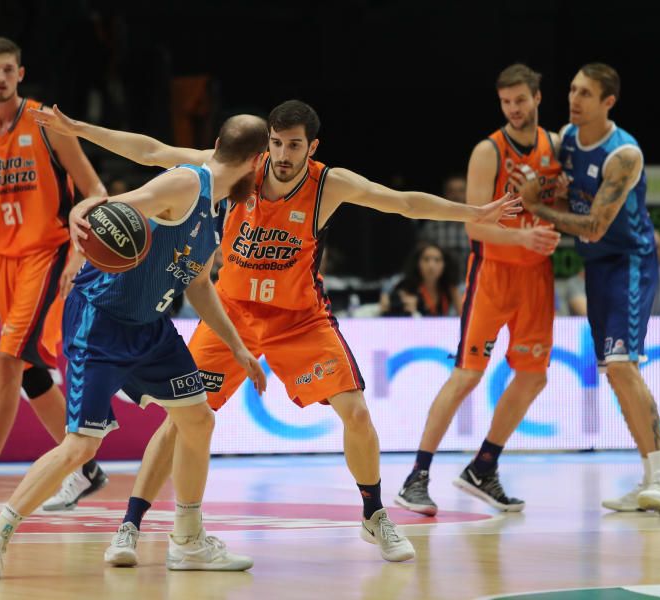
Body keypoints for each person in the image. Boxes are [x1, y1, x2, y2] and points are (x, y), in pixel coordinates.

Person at [32, 99, 520, 565]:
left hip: (299, 317)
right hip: (232, 311)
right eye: (277, 143)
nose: (283, 155)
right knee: (180, 420)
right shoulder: (240, 168)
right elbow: (154, 151)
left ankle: (374, 514)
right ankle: (132, 526)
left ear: (313, 147)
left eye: (293, 145)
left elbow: (403, 203)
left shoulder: (329, 184)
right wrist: (81, 131)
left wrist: (470, 213)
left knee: (354, 410)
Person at [0, 114, 270, 580]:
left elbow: (200, 285)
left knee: (198, 419)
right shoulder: (188, 183)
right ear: (257, 161)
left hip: (150, 327)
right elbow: (117, 204)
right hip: (100, 321)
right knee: (80, 447)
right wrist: (81, 213)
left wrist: (239, 347)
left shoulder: (221, 205)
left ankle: (187, 541)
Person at [0, 37, 110, 519]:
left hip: (48, 252)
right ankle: (85, 467)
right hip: (3, 259)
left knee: (10, 359)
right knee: (32, 370)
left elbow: (95, 188)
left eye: (8, 69)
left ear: (20, 73)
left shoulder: (44, 122)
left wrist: (80, 249)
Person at [396, 64, 562, 515]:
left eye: (520, 101)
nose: (513, 109)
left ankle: (483, 466)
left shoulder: (556, 147)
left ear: (537, 98)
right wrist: (524, 236)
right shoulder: (488, 151)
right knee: (468, 374)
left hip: (537, 278)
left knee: (534, 375)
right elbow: (473, 225)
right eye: (506, 102)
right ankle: (417, 475)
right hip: (493, 273)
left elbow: (561, 205)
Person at [521, 63, 660, 515]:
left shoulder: (623, 154)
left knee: (621, 364)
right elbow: (561, 197)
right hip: (597, 267)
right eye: (572, 89)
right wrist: (540, 193)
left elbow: (592, 226)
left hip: (629, 261)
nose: (574, 98)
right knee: (614, 370)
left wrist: (538, 206)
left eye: (586, 93)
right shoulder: (568, 138)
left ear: (608, 101)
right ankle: (649, 477)